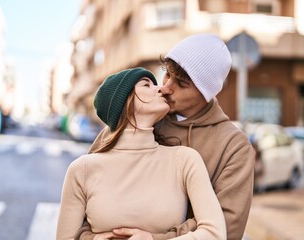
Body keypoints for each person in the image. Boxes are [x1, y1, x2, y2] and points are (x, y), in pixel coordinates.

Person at [78, 33, 255, 240]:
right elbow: (82, 205)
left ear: (207, 92)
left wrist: (154, 238)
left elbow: (227, 228)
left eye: (181, 83)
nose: (166, 87)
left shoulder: (233, 146)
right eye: (167, 74)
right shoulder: (136, 117)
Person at [56, 67, 227, 240]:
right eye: (146, 85)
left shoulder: (184, 160)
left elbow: (215, 233)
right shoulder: (82, 169)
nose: (160, 88)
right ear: (123, 101)